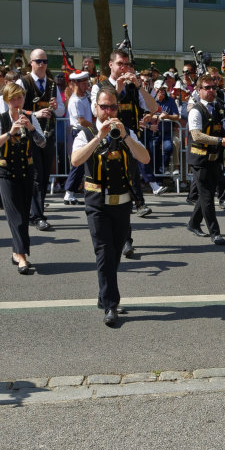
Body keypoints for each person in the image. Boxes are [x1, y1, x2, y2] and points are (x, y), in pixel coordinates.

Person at [69, 86, 152, 326]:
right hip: (96, 202)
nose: (108, 111)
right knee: (104, 252)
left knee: (115, 253)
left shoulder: (126, 132)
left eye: (112, 107)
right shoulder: (85, 133)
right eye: (103, 107)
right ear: (95, 108)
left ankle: (103, 295)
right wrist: (98, 137)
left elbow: (144, 158)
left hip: (121, 202)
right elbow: (75, 160)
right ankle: (111, 305)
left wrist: (125, 136)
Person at [92, 49, 160, 256]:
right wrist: (116, 88)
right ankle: (107, 236)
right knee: (107, 190)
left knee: (127, 187)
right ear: (111, 65)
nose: (124, 67)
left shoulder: (133, 87)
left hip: (127, 138)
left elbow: (153, 107)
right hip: (104, 141)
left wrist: (139, 86)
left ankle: (126, 238)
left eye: (126, 64)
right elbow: (96, 112)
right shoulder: (100, 87)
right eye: (120, 64)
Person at [0, 82, 46, 272]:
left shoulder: (30, 117)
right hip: (6, 171)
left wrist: (31, 127)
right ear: (6, 100)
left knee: (23, 213)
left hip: (26, 170)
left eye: (19, 98)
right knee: (16, 216)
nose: (16, 102)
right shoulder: (0, 119)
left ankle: (16, 252)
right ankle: (22, 257)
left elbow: (42, 143)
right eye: (12, 98)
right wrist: (10, 132)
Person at [184, 77, 225, 246]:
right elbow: (197, 135)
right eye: (207, 88)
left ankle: (193, 223)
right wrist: (222, 141)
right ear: (199, 90)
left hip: (214, 157)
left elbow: (222, 128)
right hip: (200, 158)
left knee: (207, 192)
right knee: (207, 195)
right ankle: (215, 232)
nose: (211, 90)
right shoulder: (196, 110)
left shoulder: (218, 108)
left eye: (214, 87)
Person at [20, 49, 66, 232]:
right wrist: (34, 113)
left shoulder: (53, 85)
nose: (42, 65)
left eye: (45, 61)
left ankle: (34, 213)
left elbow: (62, 111)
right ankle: (38, 216)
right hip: (30, 134)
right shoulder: (23, 82)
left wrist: (55, 107)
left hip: (48, 134)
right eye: (38, 61)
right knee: (36, 175)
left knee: (44, 174)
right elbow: (14, 108)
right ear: (31, 62)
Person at [62, 70, 94, 204]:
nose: (86, 85)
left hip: (86, 132)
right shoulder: (74, 101)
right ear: (75, 83)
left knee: (84, 164)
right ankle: (69, 193)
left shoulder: (84, 98)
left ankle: (71, 193)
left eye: (87, 82)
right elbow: (81, 121)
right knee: (78, 163)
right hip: (80, 132)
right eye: (83, 83)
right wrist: (95, 127)